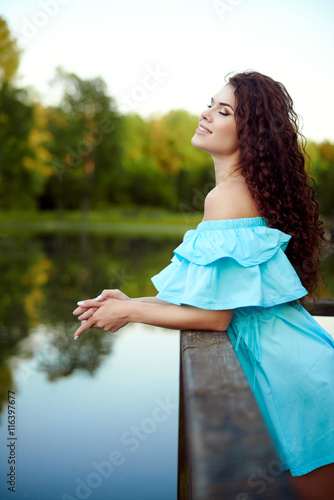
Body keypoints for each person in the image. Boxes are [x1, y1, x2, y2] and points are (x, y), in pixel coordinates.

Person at [73, 71, 334, 499]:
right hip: (294, 363)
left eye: (224, 110)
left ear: (250, 131)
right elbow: (214, 299)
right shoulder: (240, 191)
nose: (206, 113)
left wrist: (130, 313)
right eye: (210, 103)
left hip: (291, 378)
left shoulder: (228, 197)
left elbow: (214, 317)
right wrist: (131, 298)